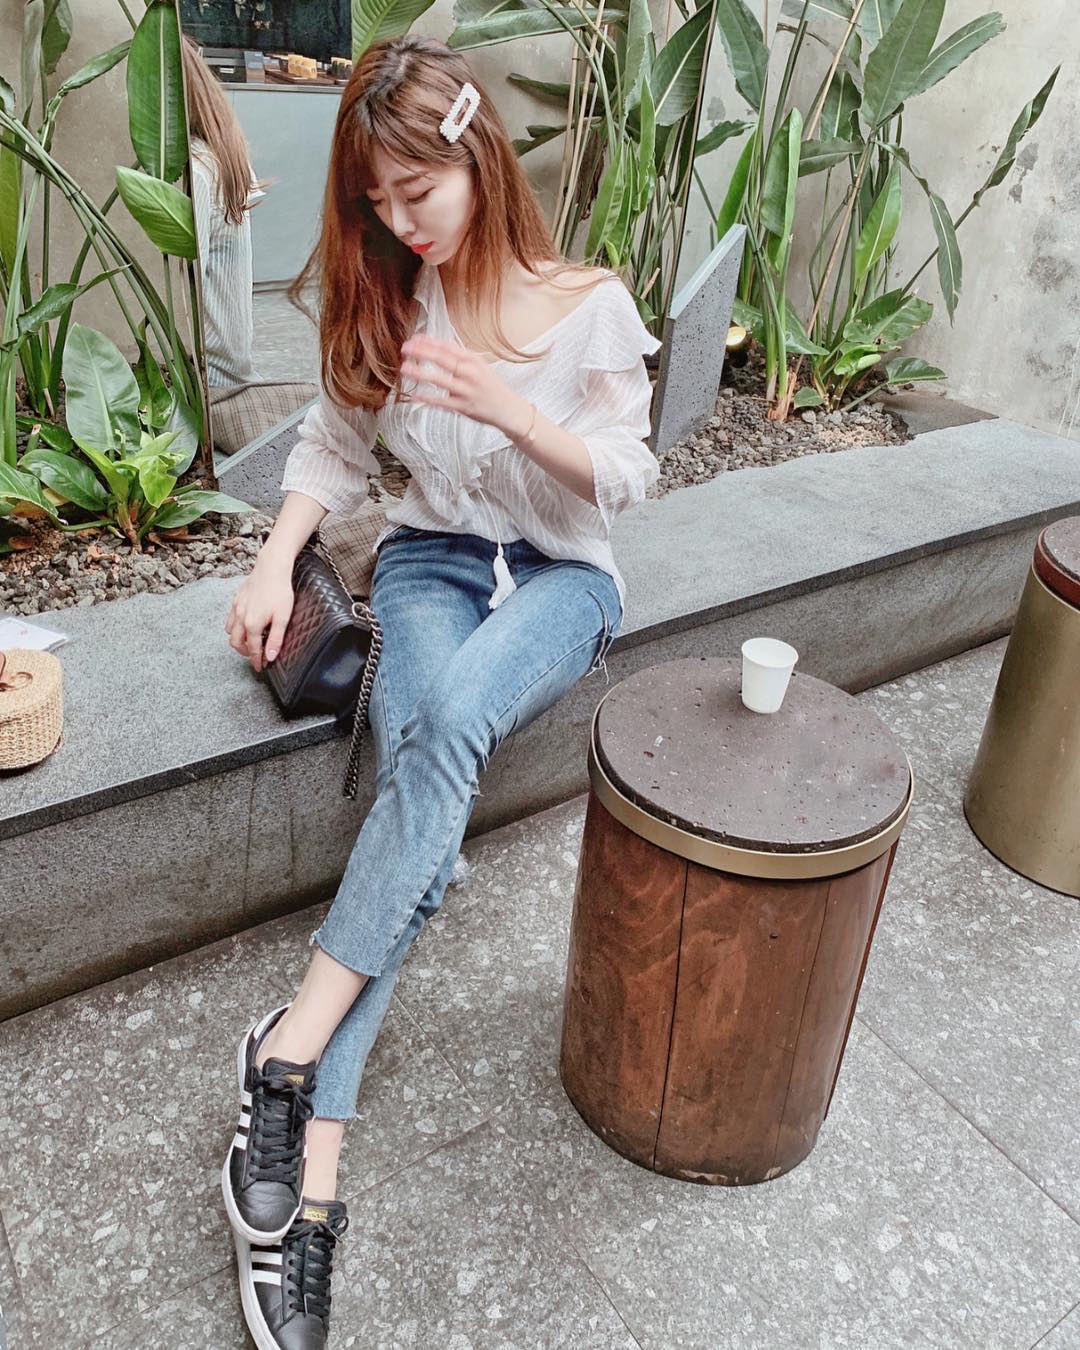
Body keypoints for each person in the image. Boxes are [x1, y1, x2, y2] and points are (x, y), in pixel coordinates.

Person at [221, 33, 661, 1350]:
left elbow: (628, 477)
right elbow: (335, 442)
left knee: (452, 722)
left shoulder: (586, 303)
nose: (400, 221)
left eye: (417, 191)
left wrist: (511, 408)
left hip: (564, 577)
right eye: (379, 201)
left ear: (479, 159)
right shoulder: (393, 299)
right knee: (423, 763)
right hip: (429, 562)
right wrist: (274, 556)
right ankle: (313, 1170)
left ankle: (288, 1058)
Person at [180, 34, 320, 454]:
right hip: (227, 368)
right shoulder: (219, 155)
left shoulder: (196, 169)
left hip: (211, 382)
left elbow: (181, 300)